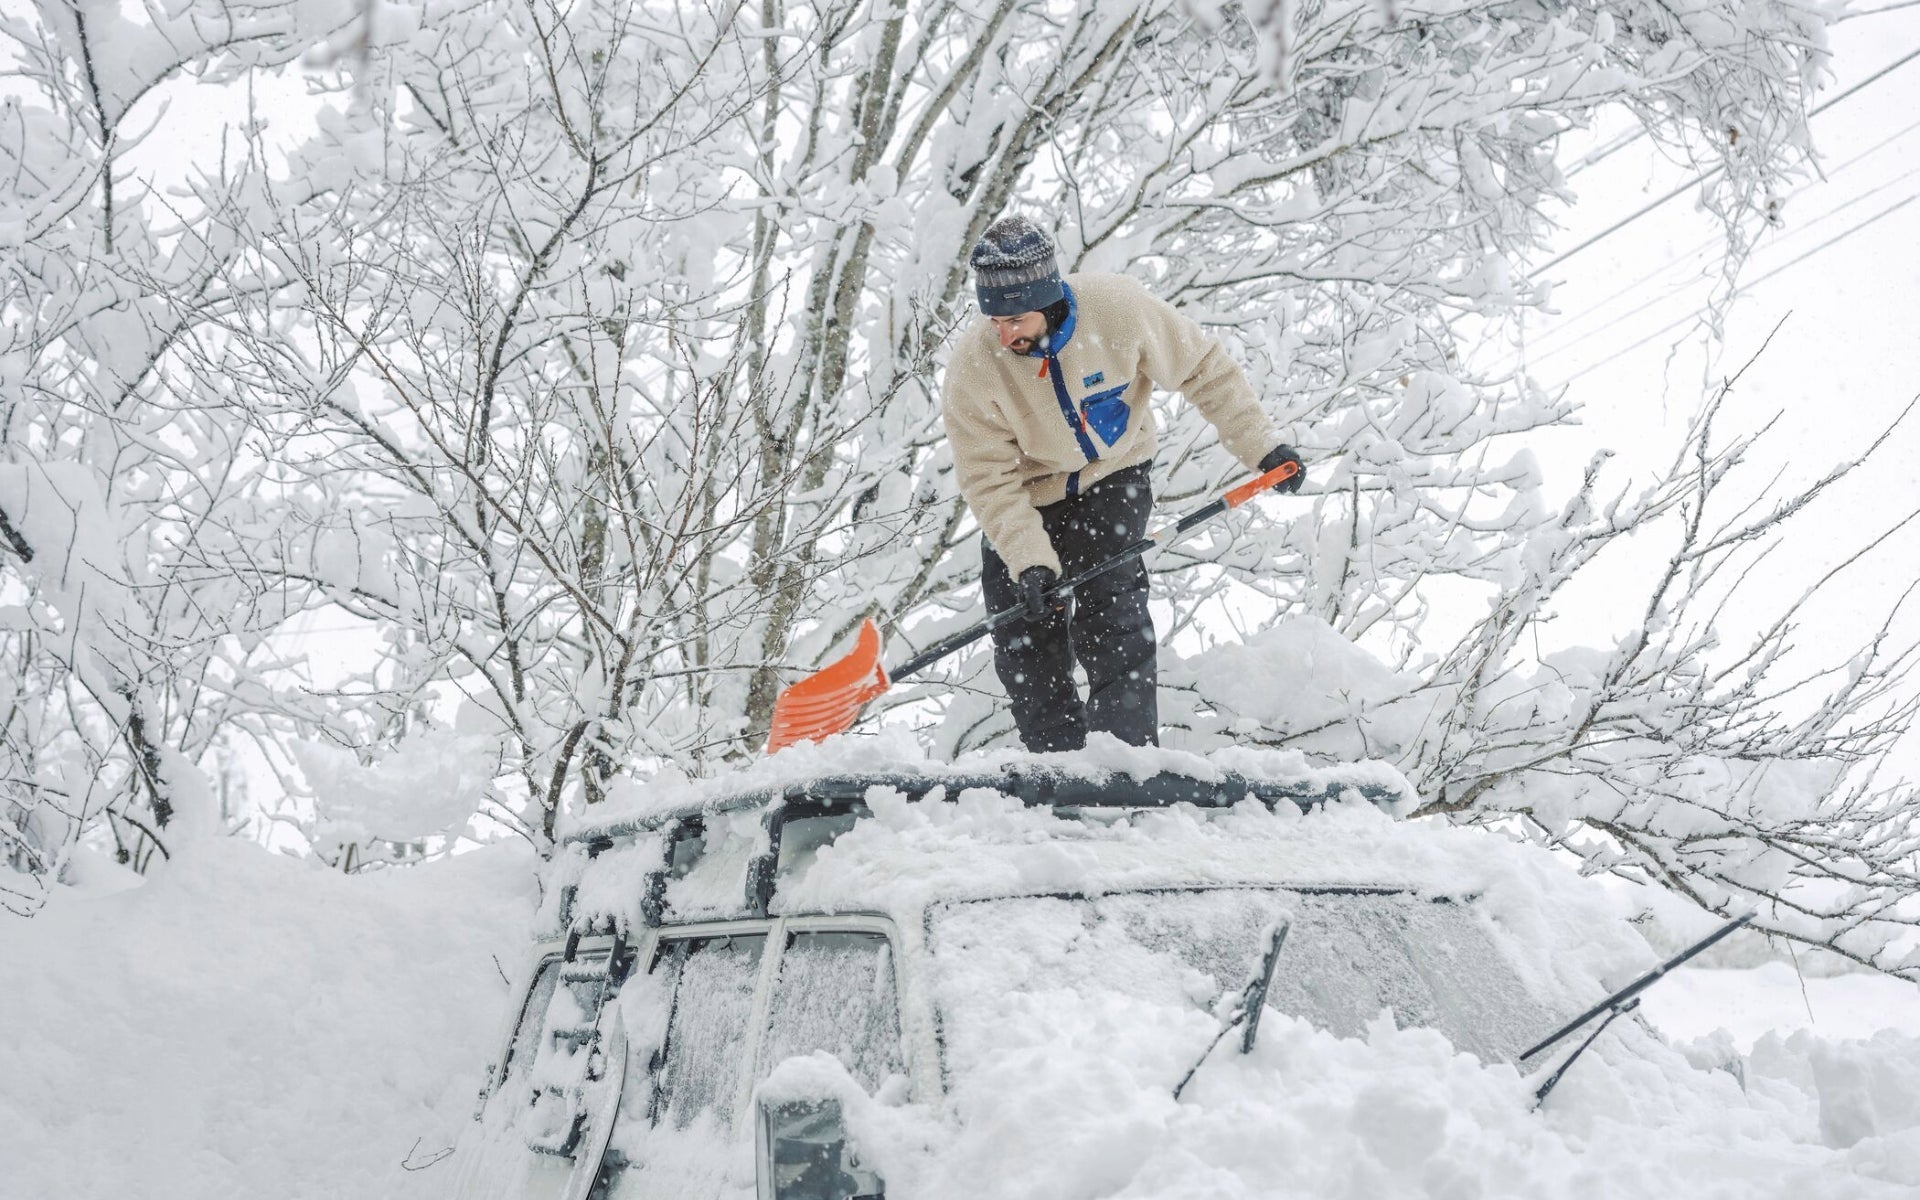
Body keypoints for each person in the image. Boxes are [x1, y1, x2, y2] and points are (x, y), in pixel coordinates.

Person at [941, 214, 1303, 753]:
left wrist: (1261, 447)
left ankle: (1124, 758)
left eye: (1015, 318)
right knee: (1022, 628)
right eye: (994, 320)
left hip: (1114, 475)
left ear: (1047, 299)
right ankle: (1057, 763)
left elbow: (1203, 367)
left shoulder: (1118, 310)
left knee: (1111, 605)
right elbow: (987, 478)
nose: (1004, 334)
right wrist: (1029, 560)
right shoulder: (975, 367)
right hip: (1027, 494)